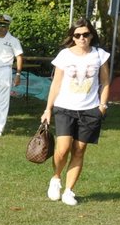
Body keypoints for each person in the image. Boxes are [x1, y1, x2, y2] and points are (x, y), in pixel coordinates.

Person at [40, 21, 111, 206]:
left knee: (79, 150)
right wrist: (48, 109)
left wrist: (102, 106)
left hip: (90, 110)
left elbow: (105, 82)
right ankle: (56, 178)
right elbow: (56, 83)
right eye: (77, 35)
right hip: (64, 108)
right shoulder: (64, 55)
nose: (82, 38)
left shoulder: (100, 55)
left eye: (86, 34)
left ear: (91, 35)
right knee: (63, 149)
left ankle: (69, 191)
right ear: (72, 37)